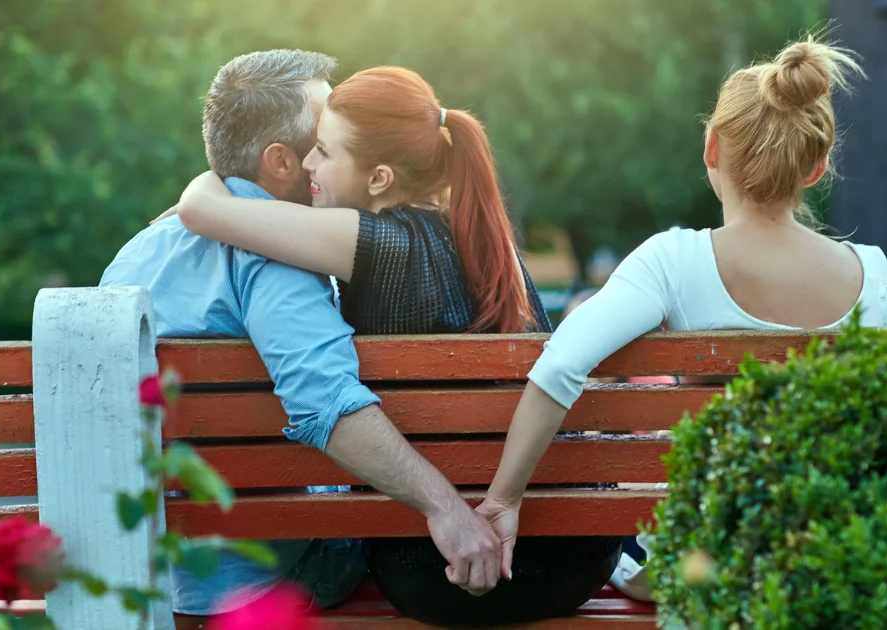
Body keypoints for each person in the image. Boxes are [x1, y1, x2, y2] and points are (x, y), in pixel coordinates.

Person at [158, 66, 621, 626]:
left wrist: (212, 177)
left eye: (324, 152)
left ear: (378, 179)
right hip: (577, 554)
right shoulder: (478, 234)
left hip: (433, 571)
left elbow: (202, 210)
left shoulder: (377, 243)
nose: (308, 165)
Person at [474, 36, 887, 602]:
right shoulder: (872, 270)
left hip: (707, 561)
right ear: (817, 168)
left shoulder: (675, 260)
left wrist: (502, 500)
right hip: (832, 556)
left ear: (711, 147)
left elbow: (562, 364)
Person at [100, 50, 502, 618]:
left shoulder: (136, 252)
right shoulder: (275, 262)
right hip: (260, 581)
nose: (323, 155)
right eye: (323, 138)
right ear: (282, 161)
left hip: (148, 574)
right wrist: (446, 510)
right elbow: (327, 404)